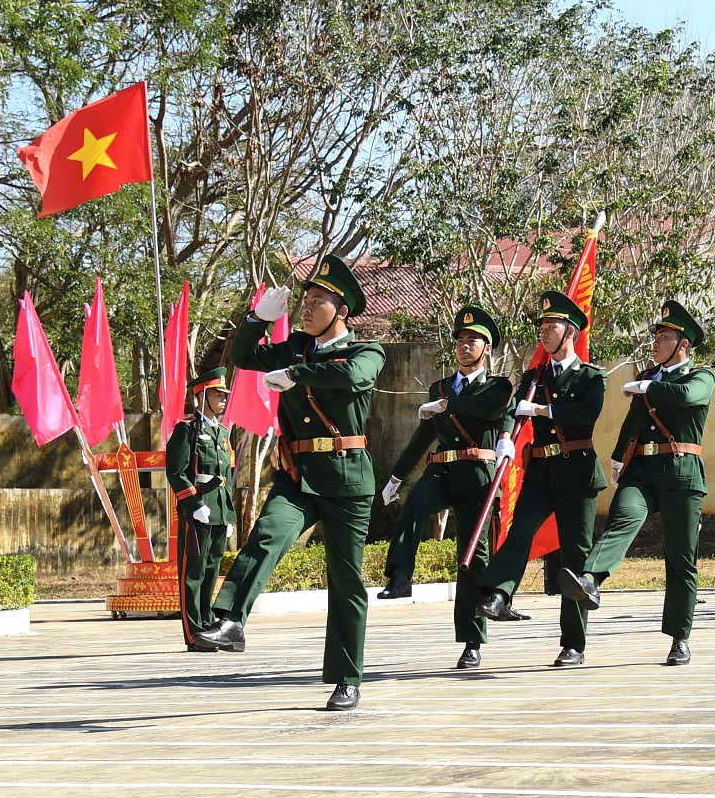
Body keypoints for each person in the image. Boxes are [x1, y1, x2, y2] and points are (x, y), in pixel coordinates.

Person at [198, 255, 385, 712]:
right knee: (267, 535)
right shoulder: (296, 345)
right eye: (306, 299)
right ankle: (232, 621)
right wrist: (256, 319)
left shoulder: (367, 351)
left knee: (345, 582)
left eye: (318, 301)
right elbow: (243, 358)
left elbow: (353, 377)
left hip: (346, 480)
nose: (307, 307)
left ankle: (347, 677)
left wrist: (296, 375)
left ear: (342, 311)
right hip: (298, 475)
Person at [562, 300, 712, 666]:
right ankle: (590, 580)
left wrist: (649, 387)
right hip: (642, 469)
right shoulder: (648, 377)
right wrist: (616, 458)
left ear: (684, 345)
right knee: (622, 518)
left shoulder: (701, 377)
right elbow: (633, 423)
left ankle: (680, 637)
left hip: (681, 474)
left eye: (665, 336)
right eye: (657, 335)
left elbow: (686, 397)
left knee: (680, 559)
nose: (657, 342)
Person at [478, 291, 608, 668]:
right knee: (519, 532)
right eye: (542, 326)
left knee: (574, 560)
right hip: (540, 472)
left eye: (551, 326)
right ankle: (499, 595)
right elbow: (512, 412)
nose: (544, 332)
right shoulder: (534, 376)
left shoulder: (590, 377)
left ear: (570, 331)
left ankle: (573, 644)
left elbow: (587, 413)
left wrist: (542, 410)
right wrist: (505, 436)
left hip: (577, 474)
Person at [380, 306, 512, 669]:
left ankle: (472, 641)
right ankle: (401, 576)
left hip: (477, 476)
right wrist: (396, 476)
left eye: (473, 340)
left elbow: (486, 409)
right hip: (442, 471)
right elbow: (424, 436)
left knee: (471, 558)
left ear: (486, 348)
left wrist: (445, 404)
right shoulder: (438, 387)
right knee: (417, 500)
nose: (464, 345)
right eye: (460, 340)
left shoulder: (498, 386)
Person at [167, 367, 234, 651]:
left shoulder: (222, 432)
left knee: (211, 571)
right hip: (198, 511)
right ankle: (194, 633)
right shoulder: (187, 429)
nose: (223, 400)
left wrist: (228, 514)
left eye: (224, 396)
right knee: (192, 574)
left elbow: (228, 476)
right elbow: (175, 472)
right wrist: (194, 504)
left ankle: (208, 629)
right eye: (218, 395)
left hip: (218, 512)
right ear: (203, 396)